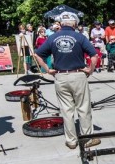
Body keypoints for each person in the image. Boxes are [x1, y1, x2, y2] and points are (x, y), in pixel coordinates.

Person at [34, 11, 100, 150]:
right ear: (74, 23)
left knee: (66, 110)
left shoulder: (53, 38)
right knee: (83, 108)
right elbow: (94, 56)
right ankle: (87, 139)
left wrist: (47, 69)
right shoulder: (79, 37)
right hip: (78, 75)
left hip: (60, 76)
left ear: (61, 23)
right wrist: (90, 69)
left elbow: (37, 54)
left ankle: (71, 141)